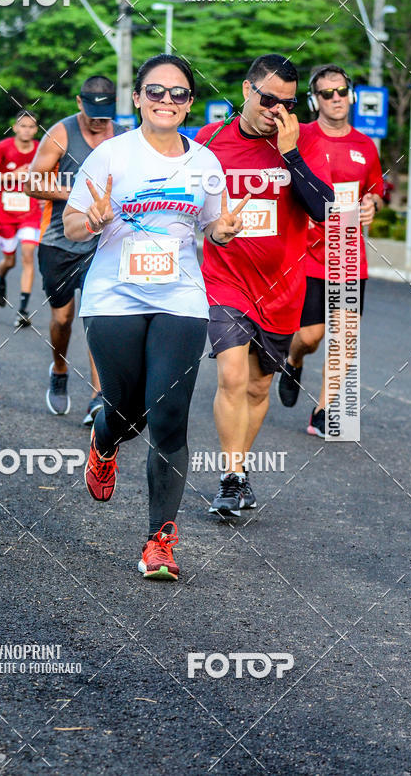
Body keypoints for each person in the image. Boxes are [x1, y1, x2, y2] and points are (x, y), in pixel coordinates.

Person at [63, 54, 248, 581]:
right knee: (126, 412)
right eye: (156, 91)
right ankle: (104, 440)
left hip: (181, 300)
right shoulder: (111, 155)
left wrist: (222, 232)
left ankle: (159, 540)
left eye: (178, 93)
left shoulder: (205, 163)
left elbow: (213, 226)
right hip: (114, 298)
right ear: (138, 98)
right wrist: (92, 218)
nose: (167, 100)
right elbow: (72, 224)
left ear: (189, 104)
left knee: (167, 415)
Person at [196, 54, 334, 518]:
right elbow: (186, 206)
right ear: (246, 90)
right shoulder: (208, 140)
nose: (277, 111)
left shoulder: (302, 140)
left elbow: (324, 209)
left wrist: (291, 154)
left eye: (287, 104)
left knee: (257, 389)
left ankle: (241, 472)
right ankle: (231, 478)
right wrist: (212, 230)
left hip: (283, 287)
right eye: (269, 99)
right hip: (227, 279)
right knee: (232, 376)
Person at [277, 64, 384, 435]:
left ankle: (323, 411)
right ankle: (293, 360)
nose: (336, 99)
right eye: (327, 93)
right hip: (306, 254)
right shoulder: (301, 135)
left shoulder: (365, 145)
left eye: (341, 92)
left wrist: (372, 204)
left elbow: (375, 190)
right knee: (310, 336)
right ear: (314, 100)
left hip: (349, 256)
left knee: (344, 339)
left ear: (350, 94)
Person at [27, 77, 125, 423]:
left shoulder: (123, 136)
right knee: (62, 319)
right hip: (59, 241)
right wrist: (78, 196)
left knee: (97, 317)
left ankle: (99, 397)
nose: (99, 121)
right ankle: (59, 368)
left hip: (102, 242)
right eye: (93, 113)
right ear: (80, 103)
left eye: (106, 113)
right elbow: (32, 182)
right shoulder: (61, 133)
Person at [0, 111, 42, 327]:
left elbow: (49, 174)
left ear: (36, 130)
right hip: (5, 211)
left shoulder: (40, 149)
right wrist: (13, 175)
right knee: (10, 261)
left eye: (31, 126)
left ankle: (23, 310)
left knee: (28, 255)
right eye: (23, 126)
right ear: (15, 127)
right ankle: (0, 278)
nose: (26, 130)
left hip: (30, 211)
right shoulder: (3, 147)